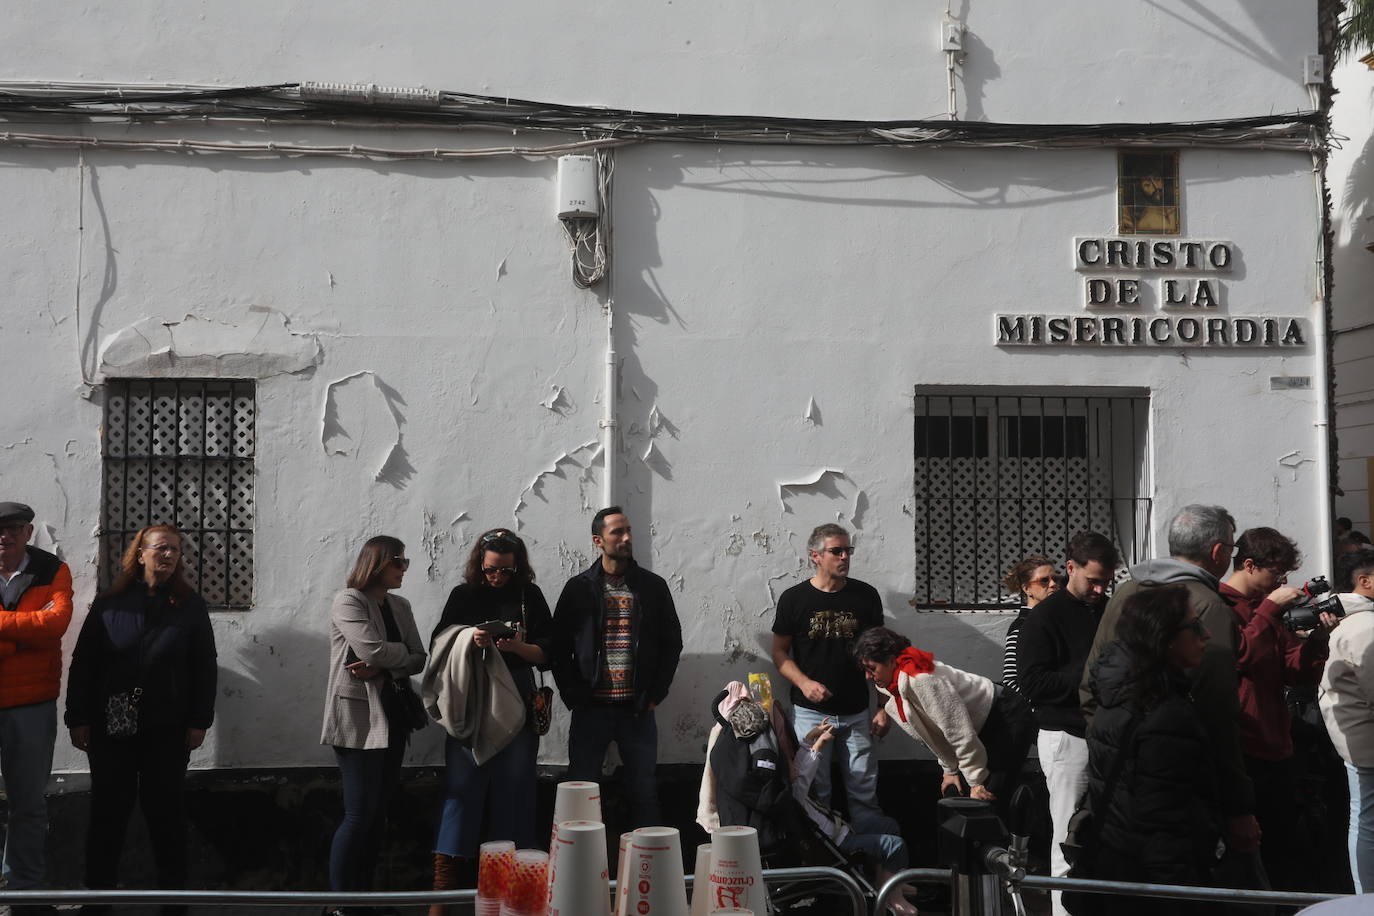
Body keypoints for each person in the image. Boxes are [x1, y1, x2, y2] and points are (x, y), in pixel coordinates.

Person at [1079, 505, 1263, 901]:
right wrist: (1237, 807)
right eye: (1231, 548)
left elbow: (1091, 683)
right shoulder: (1204, 605)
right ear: (1218, 552)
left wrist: (1112, 749)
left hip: (1114, 782)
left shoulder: (1129, 589)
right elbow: (1218, 714)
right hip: (1180, 789)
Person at [65, 524, 217, 916]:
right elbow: (85, 662)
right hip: (111, 725)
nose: (169, 555)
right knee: (108, 813)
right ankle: (97, 901)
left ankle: (174, 902)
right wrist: (78, 717)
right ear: (141, 553)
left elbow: (204, 666)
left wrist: (199, 719)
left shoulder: (190, 605)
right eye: (161, 548)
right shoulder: (111, 602)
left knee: (165, 812)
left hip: (168, 727)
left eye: (176, 551)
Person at [426, 529, 551, 913]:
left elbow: (547, 654)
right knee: (462, 789)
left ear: (519, 567)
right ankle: (443, 895)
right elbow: (439, 643)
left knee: (516, 789)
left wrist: (514, 646)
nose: (497, 578)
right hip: (473, 696)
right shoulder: (464, 595)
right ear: (479, 564)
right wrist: (470, 638)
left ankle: (513, 895)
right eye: (490, 570)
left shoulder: (529, 596)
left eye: (505, 572)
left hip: (516, 693)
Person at [1078, 585, 1223, 915]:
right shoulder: (1164, 715)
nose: (1207, 633)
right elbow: (1162, 819)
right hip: (1149, 884)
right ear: (1167, 638)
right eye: (1195, 627)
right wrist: (1178, 897)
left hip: (1116, 867)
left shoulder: (1117, 697)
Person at [1220, 527, 1336, 891]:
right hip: (1241, 746)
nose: (1281, 583)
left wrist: (1318, 640)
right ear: (1250, 565)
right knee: (1246, 853)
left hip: (1277, 743)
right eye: (1277, 574)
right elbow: (1238, 658)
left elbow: (1292, 670)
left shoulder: (1265, 610)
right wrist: (1270, 610)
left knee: (1283, 850)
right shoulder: (1220, 605)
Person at [552, 506, 682, 828]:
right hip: (590, 710)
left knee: (644, 793)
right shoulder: (579, 588)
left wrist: (656, 693)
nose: (626, 538)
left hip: (636, 711)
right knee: (580, 795)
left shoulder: (652, 587)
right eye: (617, 532)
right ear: (598, 540)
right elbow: (558, 647)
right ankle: (576, 870)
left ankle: (648, 870)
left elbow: (672, 643)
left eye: (628, 531)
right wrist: (574, 695)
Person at [318, 535, 425, 915]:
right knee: (359, 814)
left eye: (405, 563)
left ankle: (363, 899)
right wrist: (388, 659)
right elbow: (372, 649)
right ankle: (339, 905)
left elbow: (420, 658)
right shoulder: (349, 600)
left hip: (394, 716)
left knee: (378, 815)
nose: (404, 570)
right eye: (399, 563)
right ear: (378, 563)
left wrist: (383, 664)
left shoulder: (400, 605)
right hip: (357, 718)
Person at [1015, 531, 1119, 916]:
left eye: (1106, 582)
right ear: (1071, 568)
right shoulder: (1045, 616)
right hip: (1066, 737)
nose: (1098, 588)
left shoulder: (1107, 610)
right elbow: (1032, 682)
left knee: (1103, 832)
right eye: (1092, 580)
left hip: (1106, 735)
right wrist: (1091, 676)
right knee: (1067, 836)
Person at [771, 523, 895, 834]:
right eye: (836, 551)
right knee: (814, 792)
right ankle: (824, 867)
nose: (844, 557)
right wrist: (804, 683)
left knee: (864, 793)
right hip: (810, 714)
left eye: (848, 551)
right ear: (815, 556)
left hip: (856, 712)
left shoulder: (865, 596)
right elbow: (779, 653)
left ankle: (873, 864)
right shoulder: (794, 599)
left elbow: (882, 656)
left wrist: (884, 706)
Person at [0, 502, 73, 915]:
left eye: (12, 528)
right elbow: (40, 627)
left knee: (28, 804)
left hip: (31, 704)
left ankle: (25, 896)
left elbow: (56, 625)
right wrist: (20, 638)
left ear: (28, 532)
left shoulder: (51, 570)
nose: (3, 536)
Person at [855, 625, 1022, 803]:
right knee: (974, 800)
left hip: (1006, 714)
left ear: (890, 660)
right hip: (981, 726)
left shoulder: (921, 679)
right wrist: (950, 769)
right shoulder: (893, 685)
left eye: (872, 668)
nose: (867, 676)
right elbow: (936, 732)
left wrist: (976, 780)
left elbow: (957, 730)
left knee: (990, 796)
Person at [1319, 550, 1374, 892]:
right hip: (1366, 741)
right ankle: (1367, 898)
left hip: (1358, 737)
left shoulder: (1355, 621)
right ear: (1364, 582)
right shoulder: (1364, 626)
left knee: (1365, 818)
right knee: (1367, 821)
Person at [999, 556, 1059, 789]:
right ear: (1027, 589)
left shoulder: (1051, 622)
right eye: (1044, 580)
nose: (1053, 584)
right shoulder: (1022, 626)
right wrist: (1037, 710)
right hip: (1029, 722)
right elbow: (1011, 679)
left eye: (1056, 578)